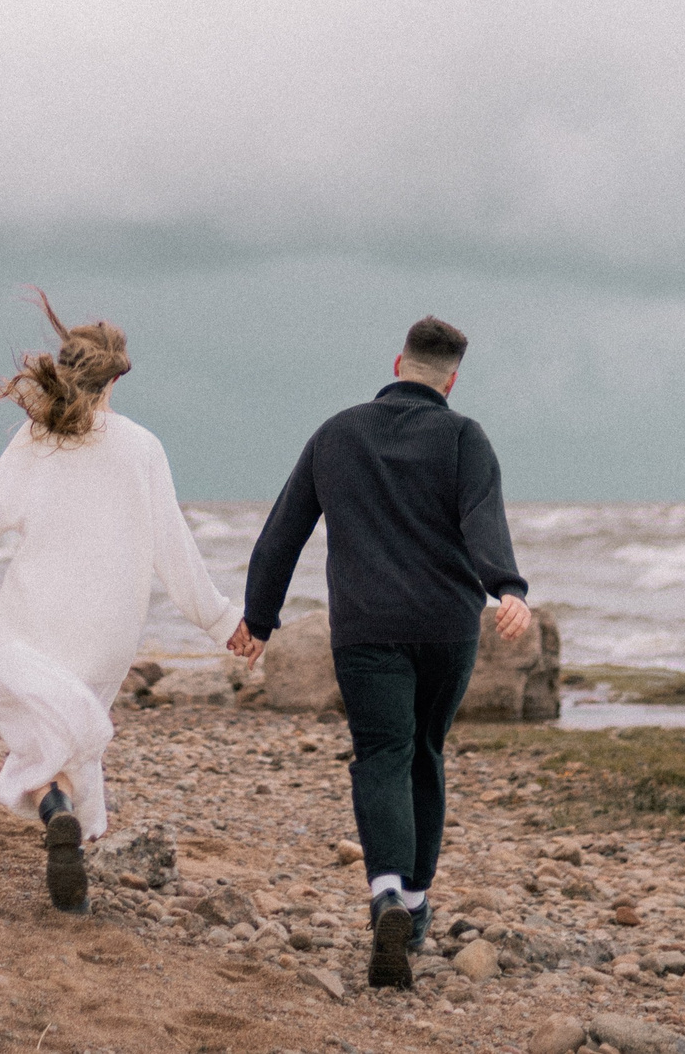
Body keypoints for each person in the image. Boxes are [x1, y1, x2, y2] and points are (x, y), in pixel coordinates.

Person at [0, 292, 240, 913]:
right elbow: (175, 551)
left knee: (33, 724)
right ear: (117, 376)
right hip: (108, 629)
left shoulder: (37, 439)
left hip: (38, 615)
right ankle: (70, 842)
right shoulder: (143, 449)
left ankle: (54, 807)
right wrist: (223, 621)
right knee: (75, 732)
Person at [230, 315, 531, 990]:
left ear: (398, 365)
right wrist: (505, 588)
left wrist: (259, 617)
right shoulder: (464, 437)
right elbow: (484, 519)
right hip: (448, 627)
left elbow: (283, 531)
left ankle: (387, 892)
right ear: (451, 379)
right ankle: (417, 907)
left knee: (381, 755)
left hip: (365, 627)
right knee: (424, 750)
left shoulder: (337, 433)